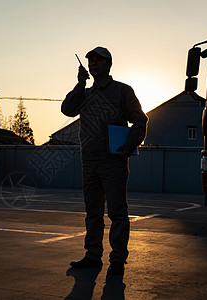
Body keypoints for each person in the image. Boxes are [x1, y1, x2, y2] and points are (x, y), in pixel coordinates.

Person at [62, 46, 148, 276]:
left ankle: (118, 259)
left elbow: (140, 121)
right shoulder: (86, 94)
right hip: (89, 161)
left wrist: (128, 147)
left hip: (113, 162)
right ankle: (92, 255)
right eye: (91, 61)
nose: (94, 64)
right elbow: (67, 110)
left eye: (99, 60)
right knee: (93, 211)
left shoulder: (122, 91)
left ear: (109, 65)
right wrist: (80, 85)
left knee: (117, 211)